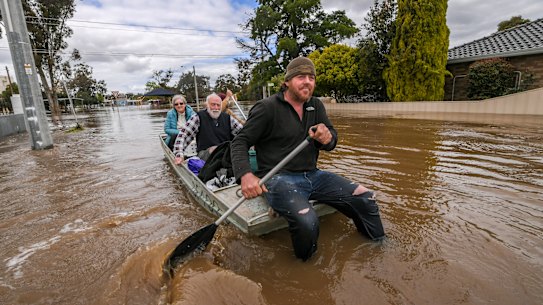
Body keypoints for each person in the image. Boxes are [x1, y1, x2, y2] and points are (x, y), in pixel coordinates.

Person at [230, 56, 385, 261]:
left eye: (311, 77)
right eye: (301, 76)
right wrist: (246, 175)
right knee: (307, 221)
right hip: (278, 178)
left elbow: (331, 141)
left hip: (313, 175)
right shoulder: (266, 108)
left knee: (365, 199)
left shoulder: (316, 106)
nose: (307, 82)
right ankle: (306, 269)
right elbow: (239, 142)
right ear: (286, 82)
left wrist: (327, 137)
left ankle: (380, 250)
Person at [174, 93, 243, 164]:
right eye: (213, 104)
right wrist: (179, 155)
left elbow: (242, 132)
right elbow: (183, 135)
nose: (216, 108)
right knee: (214, 150)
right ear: (207, 105)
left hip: (225, 153)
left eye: (218, 105)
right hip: (205, 154)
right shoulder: (198, 117)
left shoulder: (228, 118)